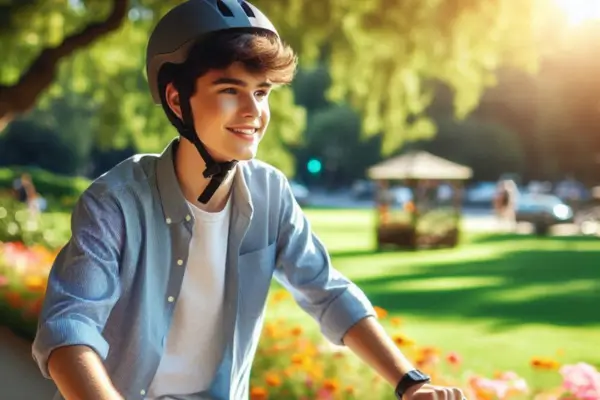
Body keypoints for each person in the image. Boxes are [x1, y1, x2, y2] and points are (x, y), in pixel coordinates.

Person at [32, 1, 467, 399]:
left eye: (261, 92)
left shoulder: (271, 193)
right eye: (229, 90)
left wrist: (410, 383)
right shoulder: (115, 202)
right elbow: (70, 328)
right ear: (176, 99)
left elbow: (329, 293)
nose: (253, 112)